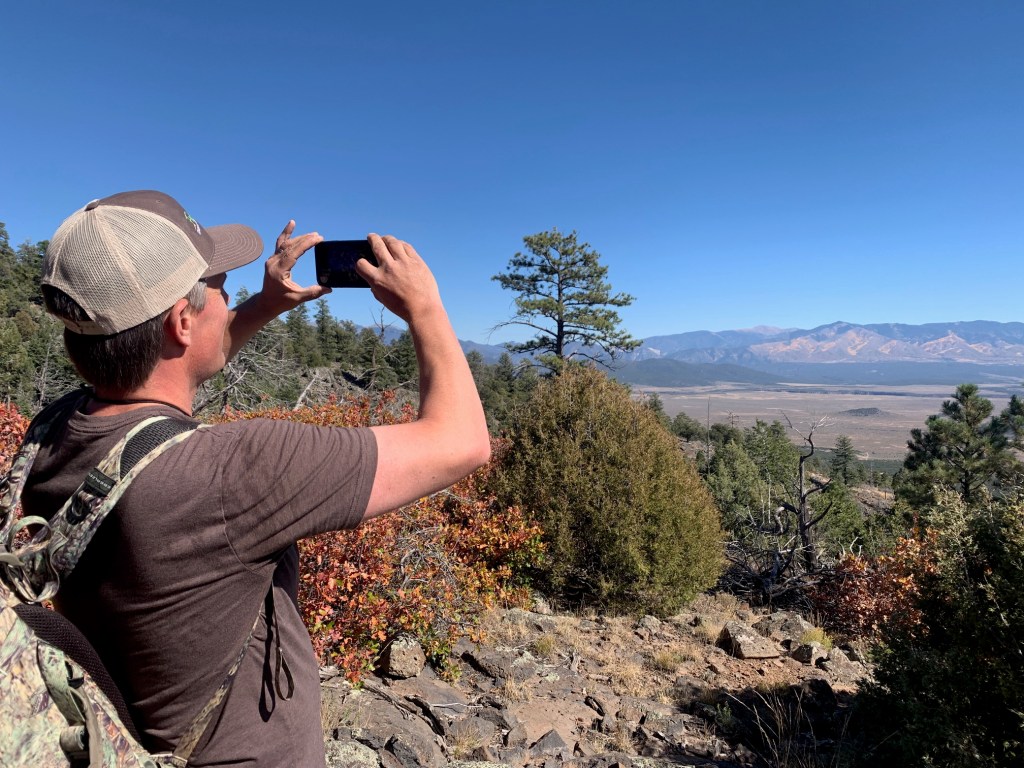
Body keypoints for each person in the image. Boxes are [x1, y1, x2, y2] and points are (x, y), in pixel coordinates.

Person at [22, 190, 490, 766]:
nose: (227, 296)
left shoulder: (51, 433)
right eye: (218, 286)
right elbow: (461, 442)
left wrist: (267, 304)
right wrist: (426, 307)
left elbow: (161, 370)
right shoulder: (234, 470)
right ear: (182, 320)